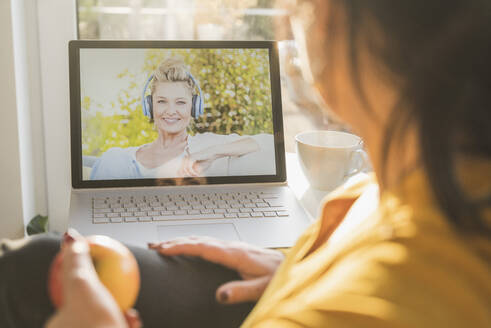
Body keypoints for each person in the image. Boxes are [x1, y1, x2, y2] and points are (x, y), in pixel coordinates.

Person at [1, 0, 490, 327]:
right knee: (37, 266)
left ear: (332, 20)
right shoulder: (387, 189)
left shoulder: (346, 310)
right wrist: (297, 272)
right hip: (280, 279)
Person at [90, 57, 261, 179]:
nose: (171, 111)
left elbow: (256, 143)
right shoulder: (125, 158)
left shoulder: (205, 144)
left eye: (180, 102)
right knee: (113, 156)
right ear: (150, 106)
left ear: (193, 107)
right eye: (162, 101)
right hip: (131, 217)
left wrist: (210, 153)